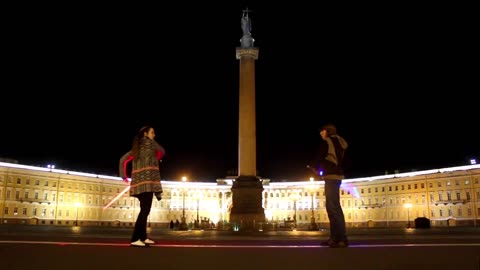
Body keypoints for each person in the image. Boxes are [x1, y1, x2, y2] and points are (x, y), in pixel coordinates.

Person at [119, 126, 165, 247]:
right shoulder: (151, 146)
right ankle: (135, 239)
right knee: (145, 211)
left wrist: (124, 176)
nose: (154, 135)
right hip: (148, 184)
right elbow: (162, 151)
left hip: (139, 184)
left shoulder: (136, 148)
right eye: (152, 133)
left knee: (145, 210)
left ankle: (143, 237)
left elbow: (123, 160)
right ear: (145, 134)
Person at [309, 123, 349, 248]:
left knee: (332, 207)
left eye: (322, 131)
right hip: (337, 175)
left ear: (327, 131)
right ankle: (335, 238)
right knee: (334, 206)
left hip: (331, 176)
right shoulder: (340, 142)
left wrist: (313, 166)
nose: (321, 134)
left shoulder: (328, 142)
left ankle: (340, 238)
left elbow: (320, 156)